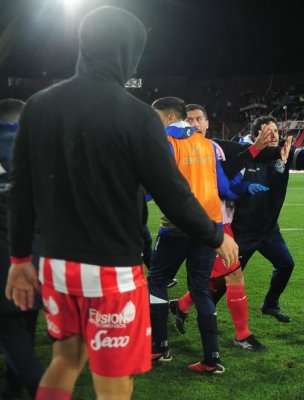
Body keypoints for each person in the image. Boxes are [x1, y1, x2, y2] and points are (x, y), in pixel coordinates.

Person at [5, 7, 237, 400]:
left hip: (57, 265)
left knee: (65, 359)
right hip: (111, 269)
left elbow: (22, 192)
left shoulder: (39, 107)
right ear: (130, 52)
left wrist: (19, 261)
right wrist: (216, 235)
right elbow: (173, 194)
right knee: (114, 384)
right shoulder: (137, 116)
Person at [168, 104, 273, 352]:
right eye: (189, 120)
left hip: (220, 221)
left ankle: (179, 307)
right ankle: (242, 335)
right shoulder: (178, 146)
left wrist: (244, 187)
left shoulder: (214, 148)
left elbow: (226, 184)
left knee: (215, 279)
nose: (194, 124)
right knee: (233, 276)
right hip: (207, 223)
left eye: (198, 119)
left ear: (206, 123)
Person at [213, 115, 304, 324]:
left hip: (269, 230)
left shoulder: (284, 154)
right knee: (225, 280)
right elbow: (227, 186)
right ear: (255, 136)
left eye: (276, 132)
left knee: (286, 265)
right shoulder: (243, 156)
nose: (273, 136)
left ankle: (270, 304)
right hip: (243, 231)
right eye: (267, 132)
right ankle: (202, 306)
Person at [148, 97, 241, 373]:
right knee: (200, 286)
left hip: (177, 226)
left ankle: (160, 346)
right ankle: (212, 358)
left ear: (166, 117)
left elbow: (156, 186)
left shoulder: (166, 142)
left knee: (157, 280)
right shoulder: (206, 144)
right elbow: (223, 186)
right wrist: (244, 191)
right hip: (209, 227)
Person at [0, 98, 44, 399]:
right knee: (24, 327)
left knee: (13, 334)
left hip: (6, 260)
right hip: (42, 256)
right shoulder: (44, 149)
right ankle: (13, 388)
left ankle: (45, 391)